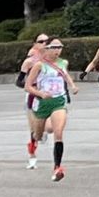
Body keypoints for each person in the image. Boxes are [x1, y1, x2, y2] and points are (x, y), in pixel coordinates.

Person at [24, 38, 77, 180]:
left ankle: (57, 167)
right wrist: (40, 93)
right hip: (42, 103)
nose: (57, 50)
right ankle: (33, 141)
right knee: (38, 135)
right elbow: (27, 86)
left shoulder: (63, 63)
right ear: (46, 49)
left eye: (60, 47)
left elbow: (65, 75)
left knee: (58, 132)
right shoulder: (39, 65)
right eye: (54, 47)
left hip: (58, 101)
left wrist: (72, 86)